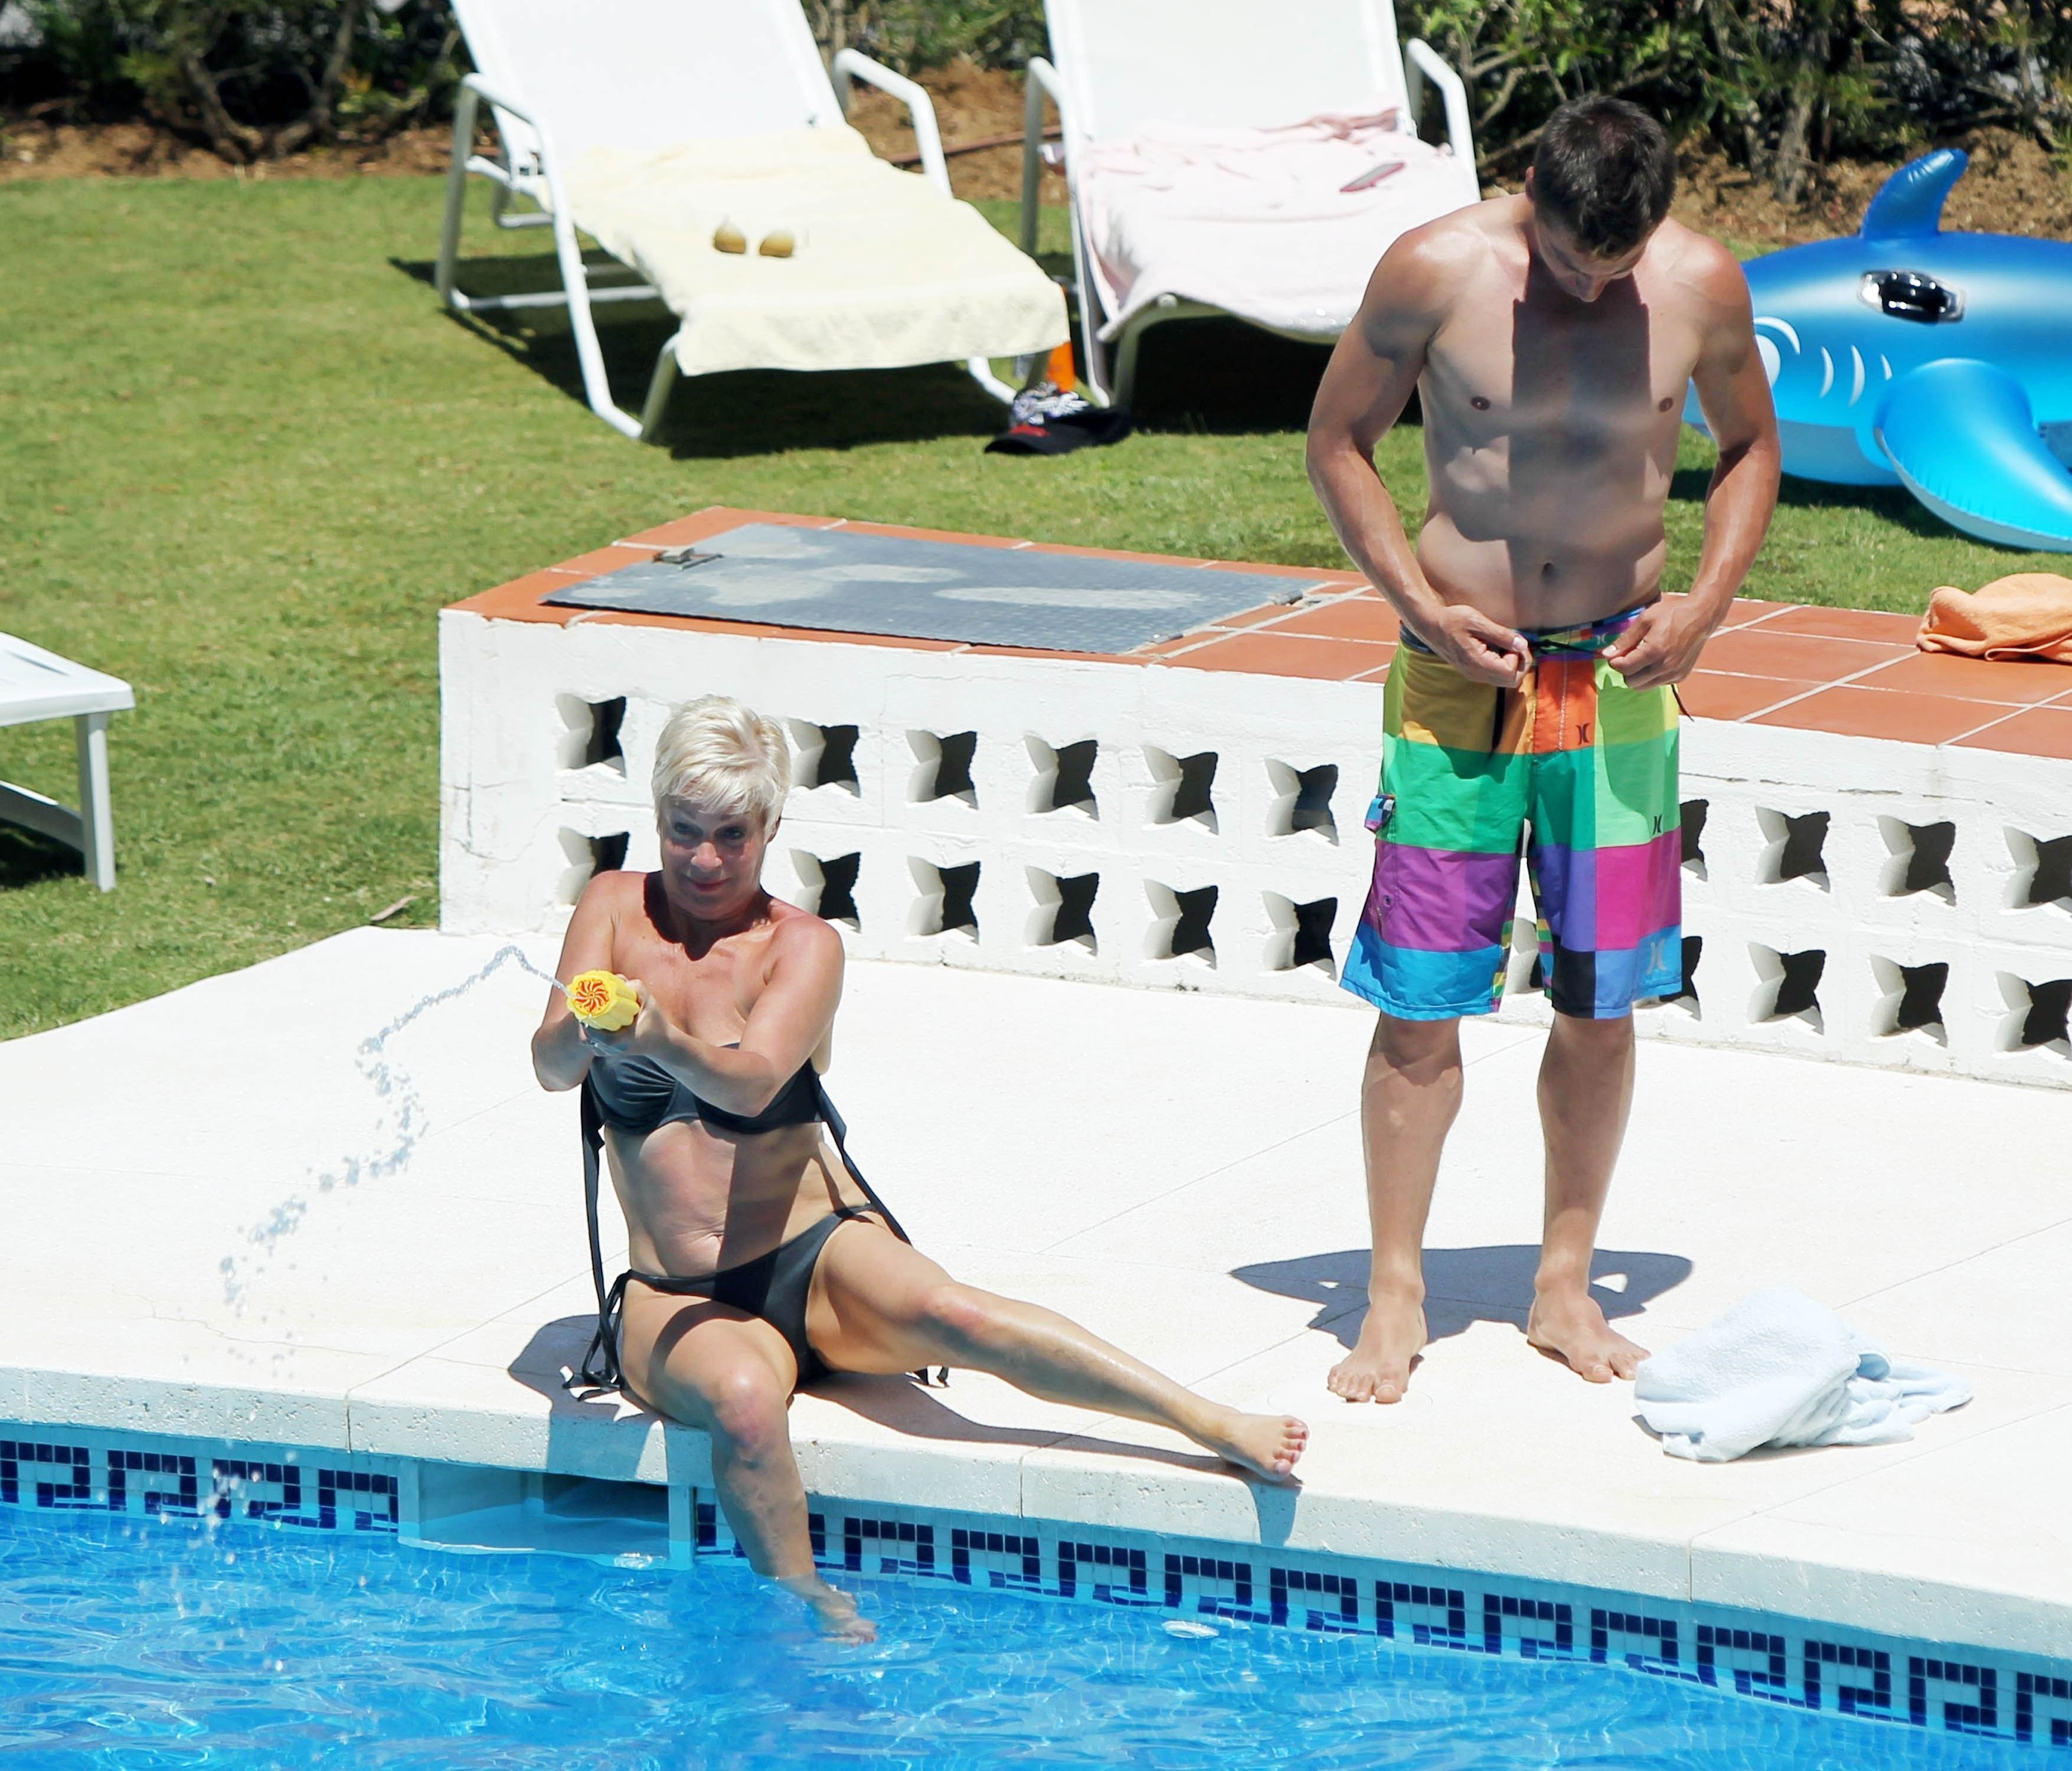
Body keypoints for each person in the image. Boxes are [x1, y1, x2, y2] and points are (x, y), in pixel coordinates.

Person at [532, 695, 1308, 1640]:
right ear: (656, 816)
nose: (703, 859)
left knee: (958, 1313)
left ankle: (1205, 1421)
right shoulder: (613, 908)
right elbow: (548, 1068)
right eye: (682, 830)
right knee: (743, 1403)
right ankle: (810, 1606)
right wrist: (584, 1031)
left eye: (731, 836)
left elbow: (755, 1081)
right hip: (679, 1295)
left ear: (770, 827)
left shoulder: (803, 947)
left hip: (814, 1258)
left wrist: (661, 1040)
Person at [1305, 96, 1780, 1404]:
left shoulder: (1697, 283)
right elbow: (1337, 443)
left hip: (1617, 682)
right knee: (1419, 1000)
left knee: (1602, 997)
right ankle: (1393, 1292)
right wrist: (1419, 608)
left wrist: (1706, 607)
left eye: (1614, 268)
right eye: (1570, 260)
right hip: (1457, 684)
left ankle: (1563, 1286)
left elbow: (1750, 447)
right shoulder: (1433, 268)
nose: (1589, 287)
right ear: (1530, 190)